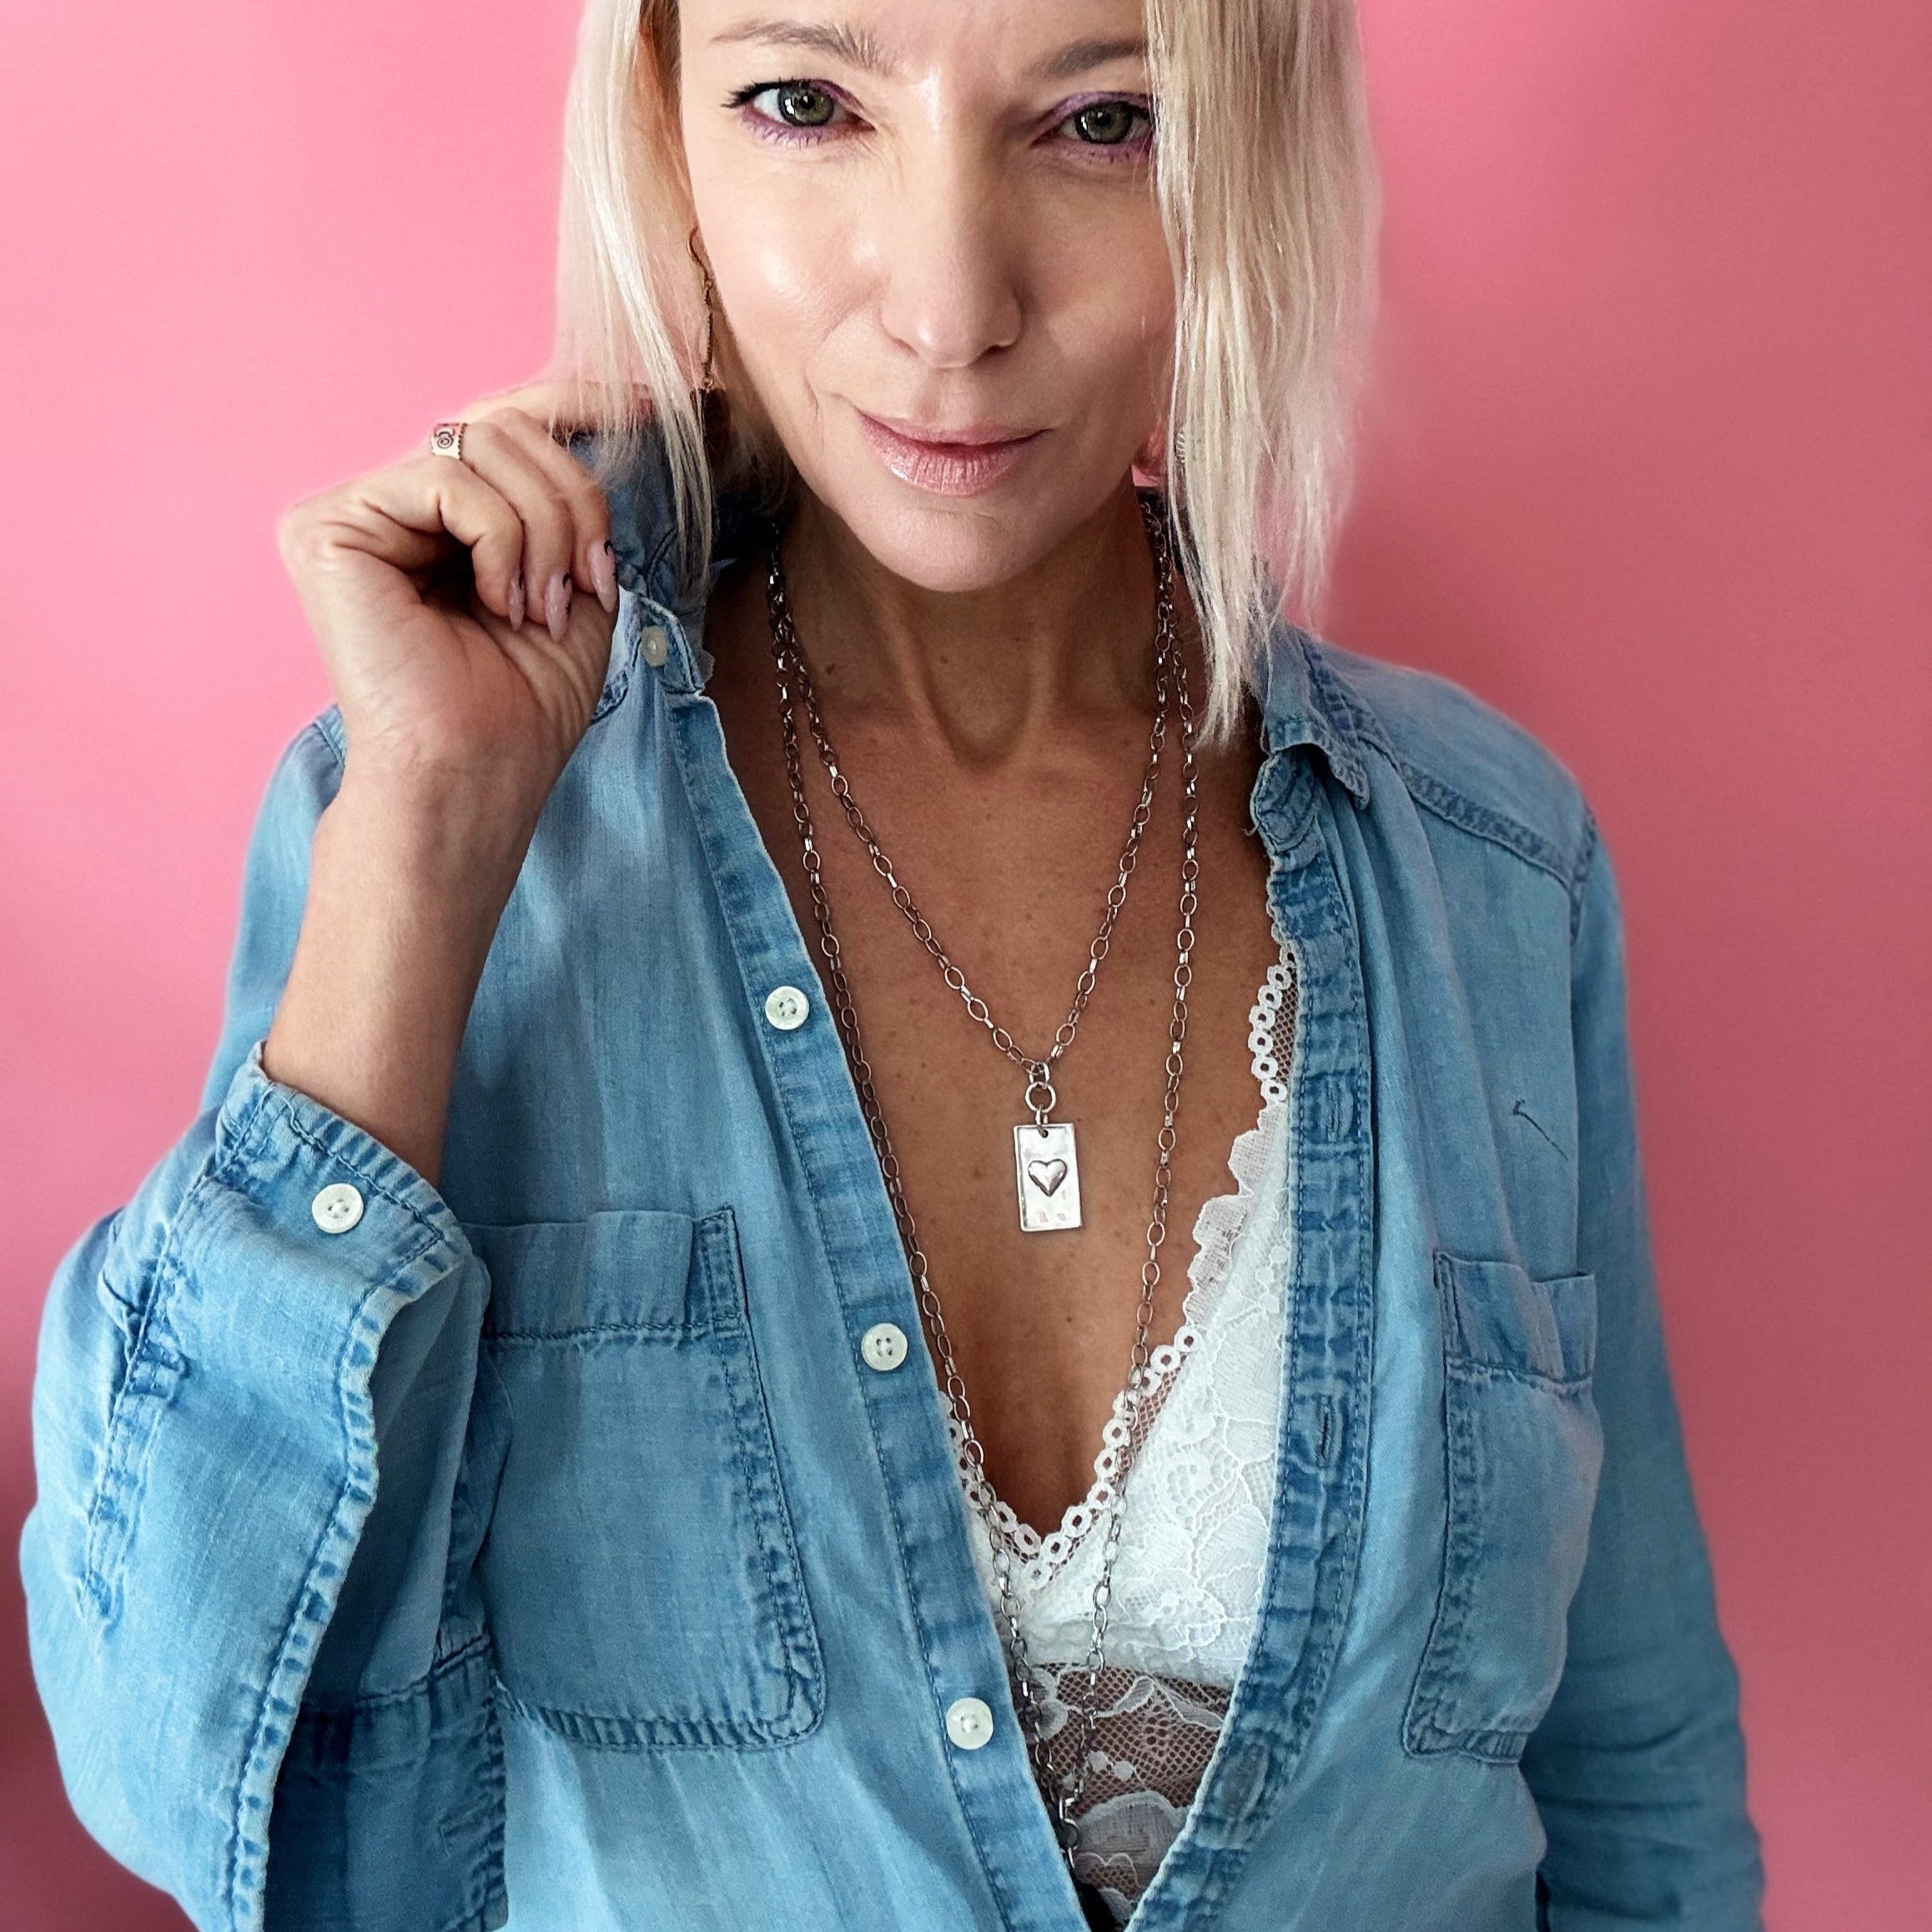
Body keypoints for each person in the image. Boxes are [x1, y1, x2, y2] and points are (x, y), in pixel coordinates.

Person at [20, 0, 1764, 1926]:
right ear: (669, 141)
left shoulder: (1493, 863)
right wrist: (427, 839)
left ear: (1252, 158)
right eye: (806, 103)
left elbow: (1634, 1771)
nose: (948, 309)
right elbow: (173, 1767)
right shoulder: (431, 833)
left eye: (1104, 124)